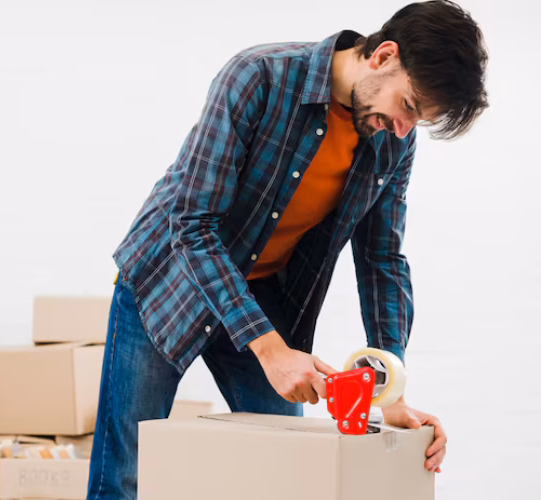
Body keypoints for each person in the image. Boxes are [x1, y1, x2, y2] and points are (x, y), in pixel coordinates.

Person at [86, 1, 488, 498]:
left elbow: (381, 259)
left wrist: (390, 391)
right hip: (169, 278)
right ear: (383, 56)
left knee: (288, 474)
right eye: (407, 105)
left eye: (417, 121)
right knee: (125, 474)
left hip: (261, 294)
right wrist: (271, 350)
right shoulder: (259, 75)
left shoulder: (394, 138)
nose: (404, 129)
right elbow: (191, 224)